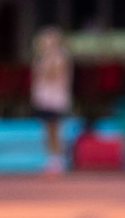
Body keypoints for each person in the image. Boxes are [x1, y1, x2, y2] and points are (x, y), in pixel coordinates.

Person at [30, 26, 72, 174]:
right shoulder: (41, 58)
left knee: (55, 129)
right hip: (45, 96)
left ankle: (59, 159)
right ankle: (51, 158)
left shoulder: (59, 57)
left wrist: (47, 62)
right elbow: (37, 79)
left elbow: (52, 76)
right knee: (47, 130)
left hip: (56, 98)